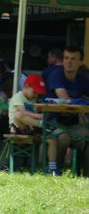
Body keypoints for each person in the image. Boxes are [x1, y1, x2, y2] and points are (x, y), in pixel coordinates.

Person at [46, 45, 89, 174]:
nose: (69, 62)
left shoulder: (83, 80)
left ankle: (85, 175)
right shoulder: (56, 74)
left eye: (73, 59)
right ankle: (56, 173)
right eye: (66, 58)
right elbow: (64, 99)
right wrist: (81, 108)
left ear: (81, 62)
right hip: (52, 123)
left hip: (75, 124)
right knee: (63, 138)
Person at [8, 74, 59, 174]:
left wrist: (39, 113)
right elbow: (23, 112)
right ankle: (42, 124)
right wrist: (39, 118)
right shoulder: (18, 97)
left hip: (32, 127)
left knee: (52, 139)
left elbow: (34, 113)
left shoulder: (32, 100)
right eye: (34, 92)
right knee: (18, 115)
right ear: (26, 86)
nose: (36, 95)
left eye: (38, 94)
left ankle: (52, 167)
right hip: (18, 128)